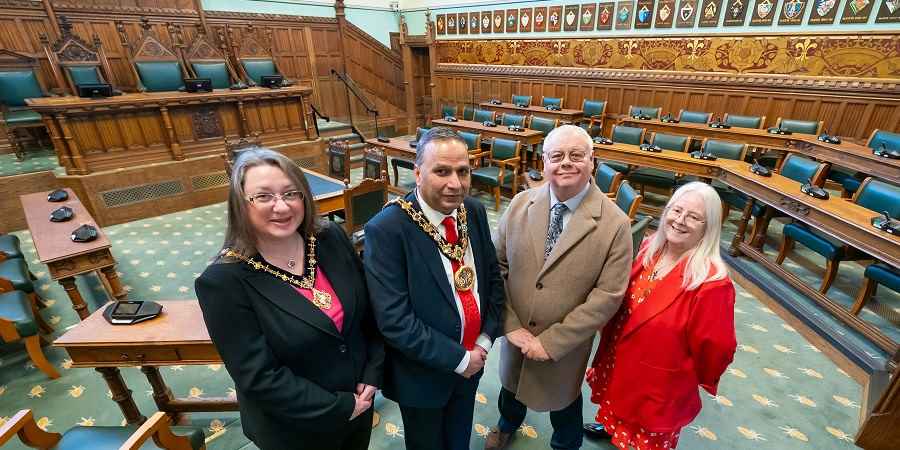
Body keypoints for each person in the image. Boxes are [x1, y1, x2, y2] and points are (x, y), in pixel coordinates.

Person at [195, 148, 384, 450]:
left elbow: (368, 316)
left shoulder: (329, 238)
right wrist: (340, 406)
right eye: (264, 196)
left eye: (290, 194)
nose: (281, 207)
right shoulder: (222, 282)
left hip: (359, 403)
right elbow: (259, 376)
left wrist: (372, 375)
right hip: (295, 429)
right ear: (240, 205)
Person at [485, 124, 633, 450]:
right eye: (557, 156)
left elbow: (607, 296)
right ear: (544, 163)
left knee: (564, 405)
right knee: (510, 389)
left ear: (592, 162)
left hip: (565, 347)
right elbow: (495, 267)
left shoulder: (615, 224)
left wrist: (551, 343)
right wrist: (509, 325)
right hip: (516, 335)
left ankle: (566, 445)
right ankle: (507, 425)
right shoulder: (521, 204)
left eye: (576, 155)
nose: (566, 162)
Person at [364, 127, 505, 450]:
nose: (455, 184)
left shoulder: (474, 211)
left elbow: (492, 282)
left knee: (459, 439)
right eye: (441, 171)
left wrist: (483, 343)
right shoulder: (387, 229)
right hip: (423, 376)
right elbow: (394, 321)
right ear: (417, 173)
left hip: (473, 363)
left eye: (463, 171)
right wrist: (459, 359)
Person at [586, 181, 737, 450]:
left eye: (694, 217)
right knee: (616, 409)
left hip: (658, 383)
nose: (680, 221)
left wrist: (681, 376)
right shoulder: (648, 248)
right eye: (676, 211)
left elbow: (717, 350)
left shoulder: (712, 282)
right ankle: (612, 429)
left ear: (708, 227)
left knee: (646, 438)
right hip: (619, 363)